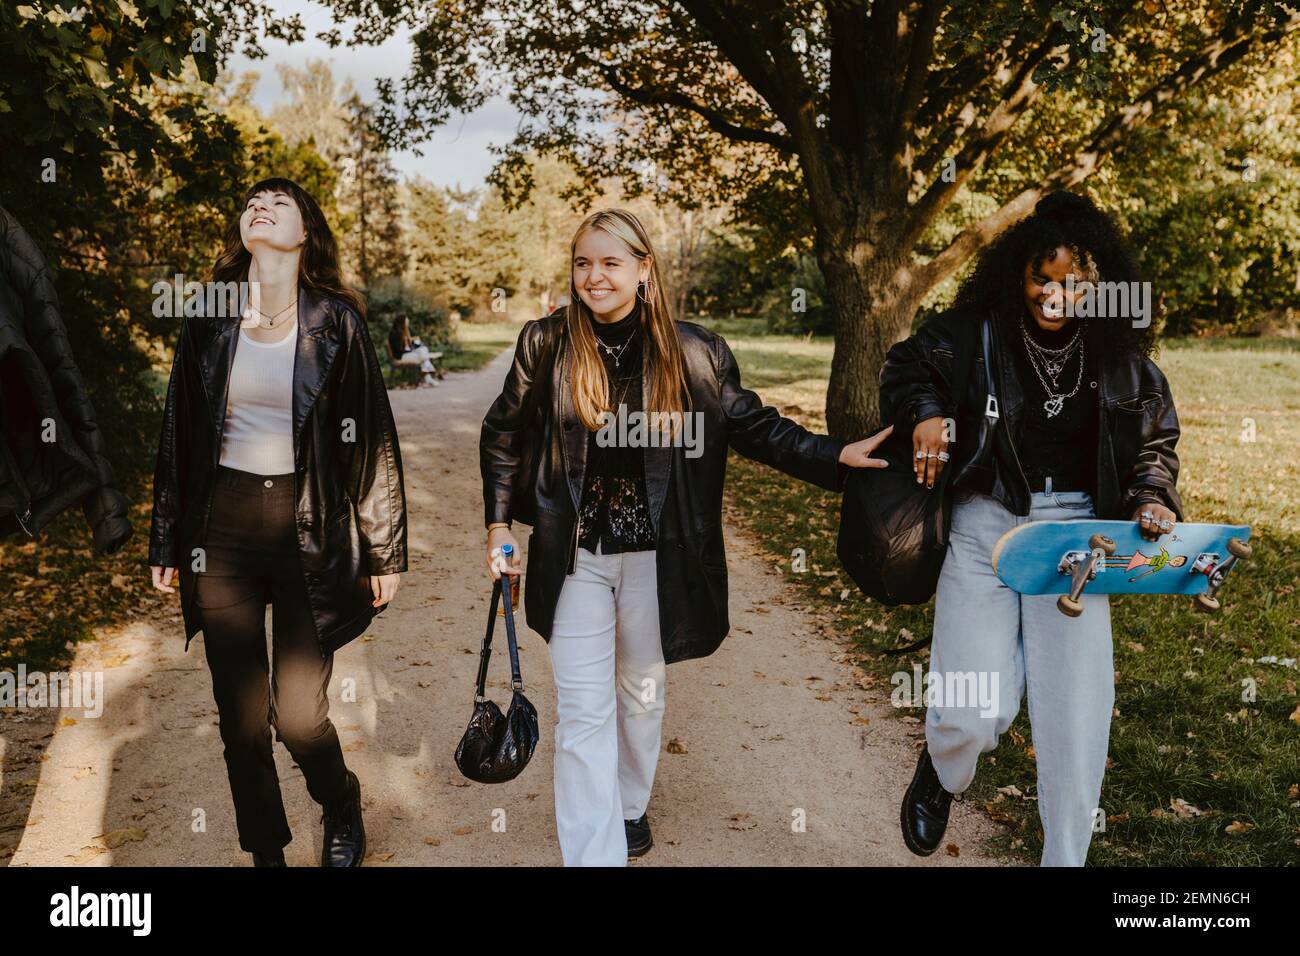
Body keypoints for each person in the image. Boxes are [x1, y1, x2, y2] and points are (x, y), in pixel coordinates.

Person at [479, 208, 893, 866]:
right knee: (584, 712)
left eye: (611, 263)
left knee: (641, 697)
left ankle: (629, 806)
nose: (594, 277)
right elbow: (502, 433)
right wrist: (500, 523)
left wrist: (834, 456)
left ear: (645, 269)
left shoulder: (693, 350)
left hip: (657, 558)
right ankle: (596, 853)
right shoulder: (546, 343)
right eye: (583, 263)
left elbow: (752, 425)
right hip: (576, 556)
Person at [880, 190, 1182, 866]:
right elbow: (906, 368)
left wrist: (1152, 498)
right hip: (984, 522)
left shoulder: (1121, 355)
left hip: (1077, 538)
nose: (1054, 294)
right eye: (1041, 278)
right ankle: (945, 767)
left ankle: (1065, 857)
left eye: (1073, 282)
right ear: (1017, 273)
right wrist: (927, 410)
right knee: (968, 710)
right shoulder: (975, 333)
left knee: (1075, 718)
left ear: (1100, 284)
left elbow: (1154, 446)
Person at [148, 177, 408, 867]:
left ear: (304, 234)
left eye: (280, 202)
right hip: (223, 529)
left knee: (296, 716)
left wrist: (383, 550)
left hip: (311, 528)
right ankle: (266, 852)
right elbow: (180, 431)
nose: (260, 207)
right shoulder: (209, 317)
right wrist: (168, 533)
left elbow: (372, 441)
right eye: (251, 202)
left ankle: (340, 801)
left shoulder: (335, 322)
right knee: (240, 721)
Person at [388, 313, 440, 387]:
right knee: (423, 355)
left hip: (408, 354)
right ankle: (429, 372)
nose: (408, 323)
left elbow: (410, 346)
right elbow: (398, 350)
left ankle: (427, 373)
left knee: (423, 349)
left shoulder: (405, 332)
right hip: (401, 356)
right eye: (406, 322)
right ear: (401, 322)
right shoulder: (394, 334)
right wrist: (409, 348)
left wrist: (413, 343)